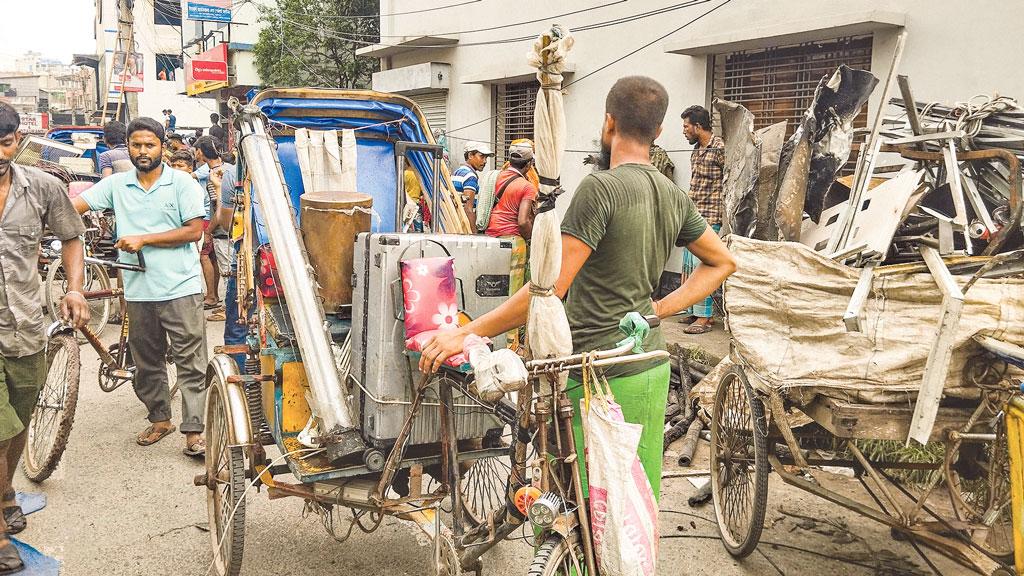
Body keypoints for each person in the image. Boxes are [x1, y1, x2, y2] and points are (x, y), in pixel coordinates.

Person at [418, 77, 736, 511]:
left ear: (608, 123)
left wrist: (464, 332)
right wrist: (656, 309)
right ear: (659, 132)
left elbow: (547, 291)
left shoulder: (600, 188)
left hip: (594, 371)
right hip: (649, 366)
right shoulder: (672, 194)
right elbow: (722, 262)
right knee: (628, 511)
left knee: (574, 510)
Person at [72, 117, 209, 458]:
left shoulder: (182, 183)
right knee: (147, 363)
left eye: (150, 145)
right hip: (138, 290)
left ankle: (194, 431)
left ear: (163, 146)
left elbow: (194, 231)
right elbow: (72, 207)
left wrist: (144, 239)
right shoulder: (117, 185)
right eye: (137, 145)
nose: (143, 151)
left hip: (181, 287)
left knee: (191, 362)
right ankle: (160, 418)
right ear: (128, 148)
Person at [0, 101, 89, 573]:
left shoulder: (43, 188)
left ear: (19, 141)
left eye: (5, 142)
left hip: (27, 326)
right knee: (0, 429)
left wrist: (74, 288)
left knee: (18, 420)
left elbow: (72, 237)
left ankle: (7, 491)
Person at [204, 138, 250, 370]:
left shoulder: (234, 173)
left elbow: (228, 222)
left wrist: (220, 188)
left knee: (238, 330)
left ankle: (241, 384)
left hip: (245, 258)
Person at [680, 104, 725, 334]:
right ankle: (694, 311)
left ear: (698, 126)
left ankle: (705, 318)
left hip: (711, 217)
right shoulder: (697, 149)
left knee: (704, 266)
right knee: (689, 265)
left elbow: (729, 181)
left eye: (687, 126)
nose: (684, 130)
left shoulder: (720, 149)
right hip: (694, 215)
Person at [193, 135, 235, 319]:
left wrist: (208, 231)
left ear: (201, 153)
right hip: (234, 228)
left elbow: (219, 207)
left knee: (228, 270)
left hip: (222, 230)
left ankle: (229, 308)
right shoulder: (230, 169)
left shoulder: (214, 176)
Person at [484, 143, 537, 241]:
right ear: (529, 164)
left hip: (489, 237)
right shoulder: (527, 187)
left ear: (510, 161)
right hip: (512, 239)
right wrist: (531, 239)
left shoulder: (494, 178)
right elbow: (523, 222)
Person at [452, 141, 493, 226]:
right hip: (463, 225)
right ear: (470, 155)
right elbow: (468, 209)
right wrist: (473, 234)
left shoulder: (458, 171)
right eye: (482, 157)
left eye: (486, 158)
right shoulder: (470, 176)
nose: (485, 161)